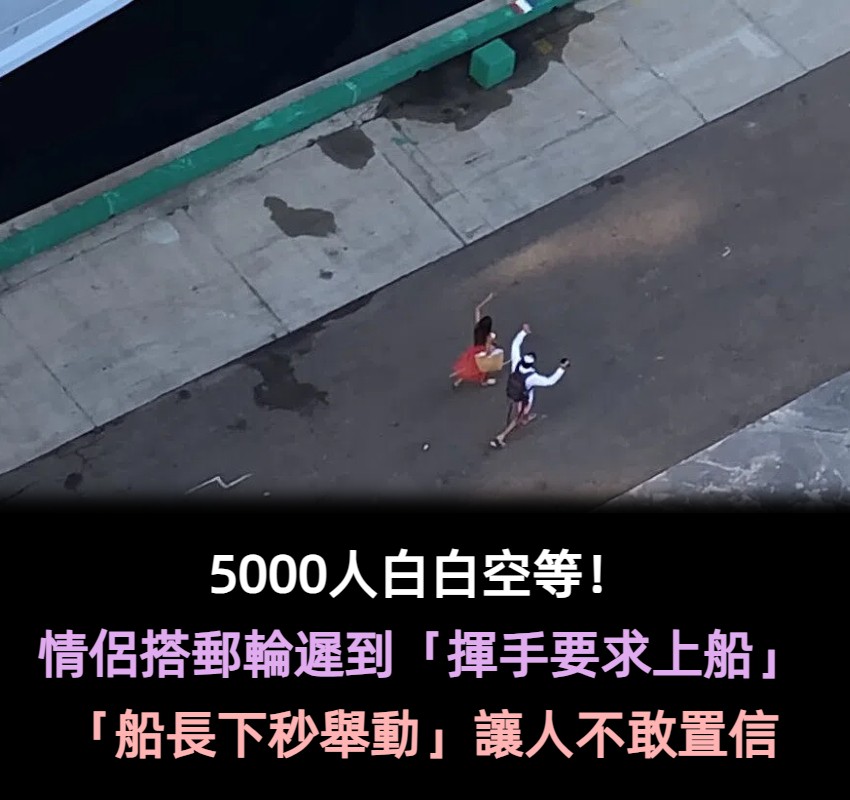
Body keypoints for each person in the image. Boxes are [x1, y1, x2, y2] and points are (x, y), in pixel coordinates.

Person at [489, 323, 570, 448]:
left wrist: (523, 332)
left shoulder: (516, 363)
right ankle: (501, 436)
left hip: (513, 391)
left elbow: (515, 345)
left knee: (518, 409)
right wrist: (561, 368)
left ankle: (523, 418)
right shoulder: (532, 377)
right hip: (524, 398)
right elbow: (550, 381)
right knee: (518, 416)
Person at [450, 292, 504, 388]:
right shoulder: (488, 336)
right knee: (482, 369)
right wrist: (492, 348)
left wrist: (487, 299)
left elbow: (477, 309)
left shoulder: (477, 328)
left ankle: (459, 380)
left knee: (468, 366)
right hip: (481, 352)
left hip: (474, 350)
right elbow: (488, 348)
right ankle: (484, 382)